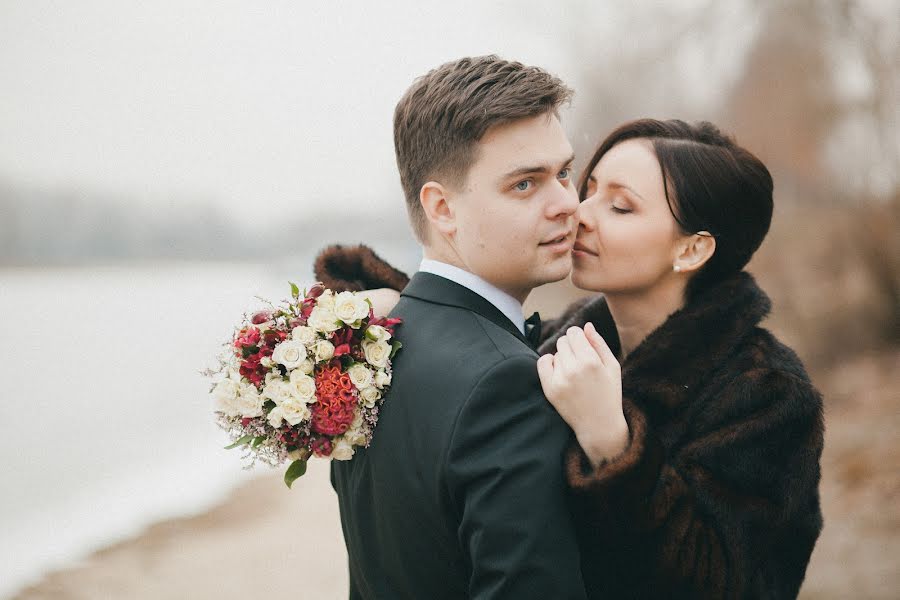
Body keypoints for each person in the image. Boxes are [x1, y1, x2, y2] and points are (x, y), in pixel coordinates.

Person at [317, 119, 825, 599]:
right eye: (589, 187)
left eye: (620, 207)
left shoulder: (764, 392)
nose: (579, 212)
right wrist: (399, 306)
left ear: (691, 250)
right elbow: (468, 358)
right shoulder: (563, 341)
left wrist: (616, 447)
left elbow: (727, 584)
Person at [322, 55, 587, 599]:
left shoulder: (371, 343)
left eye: (563, 173)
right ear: (442, 208)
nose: (568, 203)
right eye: (524, 184)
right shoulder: (507, 383)